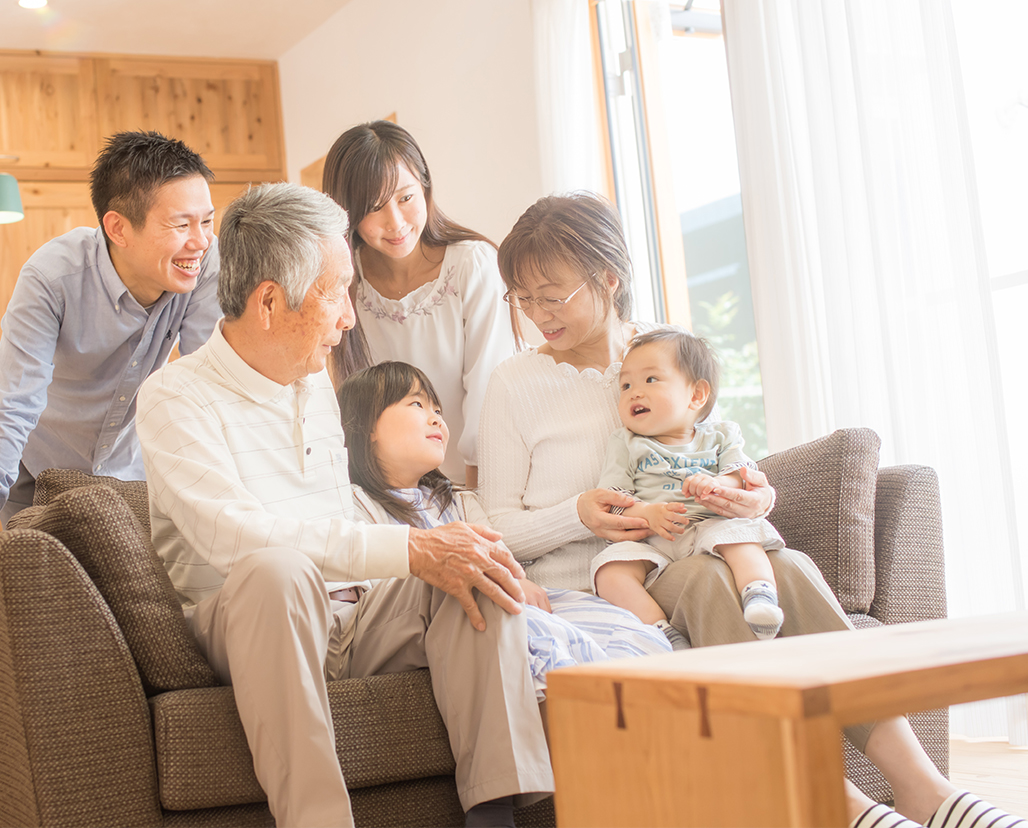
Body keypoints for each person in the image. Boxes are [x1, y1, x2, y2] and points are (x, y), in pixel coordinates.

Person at [478, 191, 1022, 828]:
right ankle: (838, 802)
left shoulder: (662, 356)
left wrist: (755, 493)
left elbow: (716, 454)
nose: (538, 313)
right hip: (608, 582)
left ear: (607, 279)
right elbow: (495, 529)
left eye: (553, 294)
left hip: (694, 539)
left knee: (784, 566)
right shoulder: (514, 384)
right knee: (715, 578)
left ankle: (924, 787)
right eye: (523, 297)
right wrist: (579, 513)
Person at [136, 182, 551, 828]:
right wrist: (409, 548)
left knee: (472, 566)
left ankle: (499, 816)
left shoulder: (314, 383)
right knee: (279, 570)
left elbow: (342, 518)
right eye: (337, 294)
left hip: (354, 613)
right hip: (254, 615)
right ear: (270, 301)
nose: (350, 318)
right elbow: (230, 537)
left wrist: (444, 545)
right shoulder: (174, 398)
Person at [0, 130, 221, 569]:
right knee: (47, 611)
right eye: (181, 224)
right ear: (118, 227)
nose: (200, 240)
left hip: (128, 473)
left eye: (207, 221)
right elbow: (12, 406)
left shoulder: (199, 266)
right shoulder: (51, 278)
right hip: (37, 477)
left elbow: (209, 386)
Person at [337, 360, 671, 701]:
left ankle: (640, 705)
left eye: (437, 408)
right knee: (541, 635)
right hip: (441, 616)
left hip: (507, 600)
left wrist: (520, 580)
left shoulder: (459, 502)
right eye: (417, 404)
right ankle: (589, 709)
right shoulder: (352, 504)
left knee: (621, 627)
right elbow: (375, 594)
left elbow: (502, 555)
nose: (437, 417)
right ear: (368, 425)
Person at [322, 121, 518, 487]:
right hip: (392, 494)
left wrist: (472, 498)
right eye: (374, 207)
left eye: (406, 198)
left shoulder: (471, 266)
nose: (395, 222)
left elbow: (490, 392)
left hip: (479, 482)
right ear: (346, 213)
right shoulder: (345, 282)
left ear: (425, 187)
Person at [590, 328, 786, 650]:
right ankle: (662, 632)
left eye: (651, 380)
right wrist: (647, 514)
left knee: (741, 537)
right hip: (652, 539)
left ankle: (759, 595)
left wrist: (717, 484)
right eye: (626, 385)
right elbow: (613, 500)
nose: (634, 393)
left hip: (710, 522)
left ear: (696, 395)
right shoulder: (624, 443)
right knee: (609, 573)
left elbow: (743, 477)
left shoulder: (722, 435)